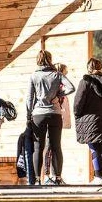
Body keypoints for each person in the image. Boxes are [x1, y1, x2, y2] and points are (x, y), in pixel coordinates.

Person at [26, 49, 74, 185]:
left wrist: (28, 115)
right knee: (56, 146)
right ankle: (57, 177)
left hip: (38, 114)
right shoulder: (57, 74)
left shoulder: (34, 76)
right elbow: (71, 88)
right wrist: (59, 94)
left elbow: (29, 98)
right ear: (50, 60)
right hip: (55, 113)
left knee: (38, 148)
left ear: (38, 60)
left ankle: (37, 180)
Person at [73, 58, 102, 185]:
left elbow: (78, 102)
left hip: (90, 120)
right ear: (101, 67)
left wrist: (78, 114)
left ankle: (98, 177)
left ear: (89, 69)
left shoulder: (86, 82)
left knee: (94, 148)